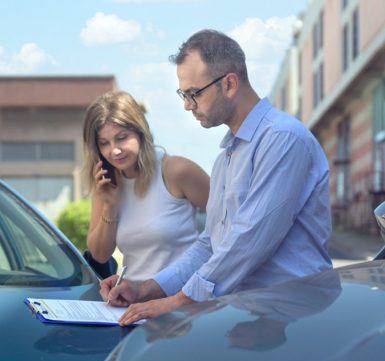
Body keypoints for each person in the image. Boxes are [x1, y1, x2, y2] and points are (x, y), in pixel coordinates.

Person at [100, 29, 333, 326]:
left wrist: (176, 303)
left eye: (193, 93)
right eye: (183, 95)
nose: (187, 105)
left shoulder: (284, 140)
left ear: (230, 83)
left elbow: (248, 243)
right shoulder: (226, 157)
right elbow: (210, 246)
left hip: (293, 320)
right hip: (247, 318)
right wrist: (144, 290)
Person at [83, 90, 209, 281]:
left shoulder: (177, 171)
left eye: (121, 137)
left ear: (140, 131)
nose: (114, 150)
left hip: (184, 301)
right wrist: (109, 207)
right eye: (104, 143)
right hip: (134, 301)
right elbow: (100, 255)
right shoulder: (106, 185)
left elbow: (232, 221)